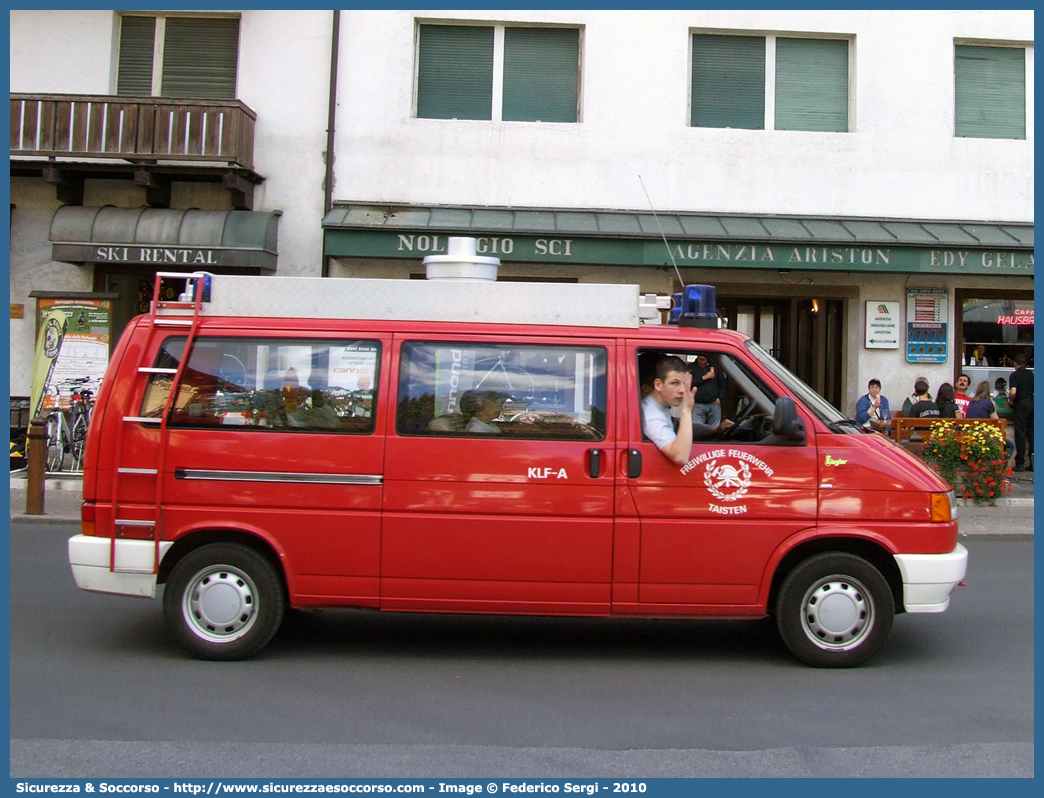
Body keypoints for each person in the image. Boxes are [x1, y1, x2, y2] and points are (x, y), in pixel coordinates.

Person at [641, 355, 732, 465]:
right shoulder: (652, 415)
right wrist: (687, 409)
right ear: (658, 385)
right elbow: (680, 457)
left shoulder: (657, 406)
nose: (682, 390)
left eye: (684, 384)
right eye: (675, 383)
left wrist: (715, 430)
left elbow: (677, 424)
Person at [1008, 352, 1034, 471]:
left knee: (1020, 434)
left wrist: (1011, 400)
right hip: (1032, 404)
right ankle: (1033, 463)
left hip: (1021, 405)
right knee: (1032, 434)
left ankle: (1020, 463)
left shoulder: (1015, 375)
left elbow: (1013, 392)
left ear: (1015, 364)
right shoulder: (1032, 374)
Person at [689, 353, 727, 427]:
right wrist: (703, 378)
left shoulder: (715, 367)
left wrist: (720, 398)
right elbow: (688, 383)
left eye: (703, 352)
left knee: (715, 430)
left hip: (714, 404)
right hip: (697, 405)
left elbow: (723, 383)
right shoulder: (691, 367)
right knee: (698, 430)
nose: (702, 354)